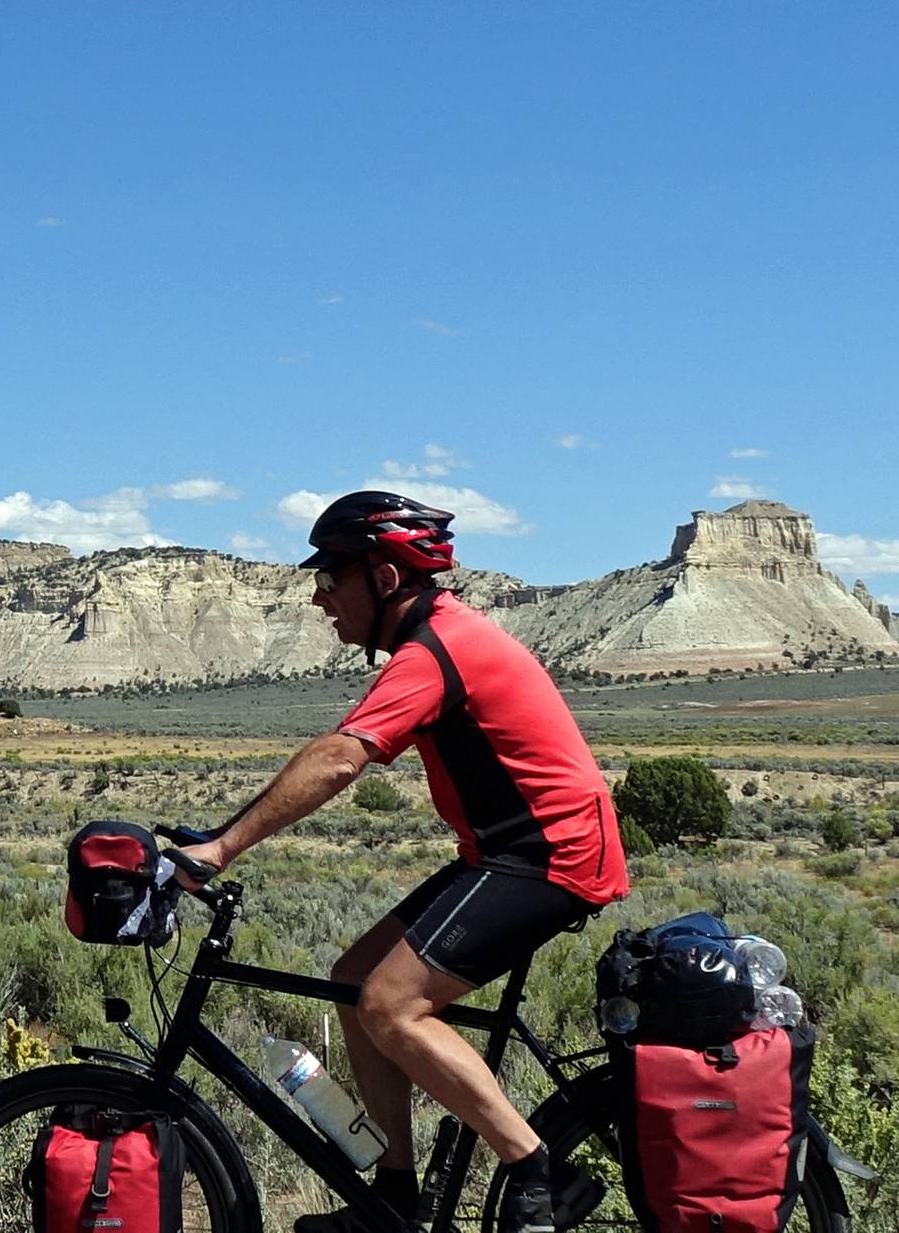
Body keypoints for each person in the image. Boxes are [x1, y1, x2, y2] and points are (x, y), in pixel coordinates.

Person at [174, 490, 627, 1233]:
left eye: (330, 580)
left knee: (391, 1002)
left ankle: (533, 1167)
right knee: (355, 982)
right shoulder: (438, 638)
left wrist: (220, 848)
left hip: (551, 856)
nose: (321, 601)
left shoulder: (436, 650)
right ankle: (394, 1197)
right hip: (511, 851)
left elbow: (340, 757)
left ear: (382, 578)